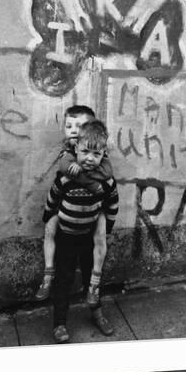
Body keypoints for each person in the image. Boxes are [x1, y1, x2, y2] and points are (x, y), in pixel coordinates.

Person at [42, 120, 119, 343]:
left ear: (103, 153)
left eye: (96, 154)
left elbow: (112, 204)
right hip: (66, 236)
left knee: (92, 279)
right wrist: (48, 218)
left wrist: (108, 227)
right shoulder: (66, 177)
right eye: (85, 151)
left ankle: (97, 313)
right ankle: (59, 323)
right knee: (63, 280)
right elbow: (53, 197)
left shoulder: (107, 181)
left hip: (89, 238)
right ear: (76, 148)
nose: (89, 158)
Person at [35, 106, 114, 308]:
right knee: (51, 230)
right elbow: (63, 170)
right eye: (68, 126)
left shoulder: (95, 152)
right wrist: (90, 182)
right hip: (67, 211)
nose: (72, 130)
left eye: (78, 127)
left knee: (100, 235)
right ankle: (48, 274)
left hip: (92, 213)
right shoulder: (67, 152)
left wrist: (93, 182)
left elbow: (107, 172)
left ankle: (95, 295)